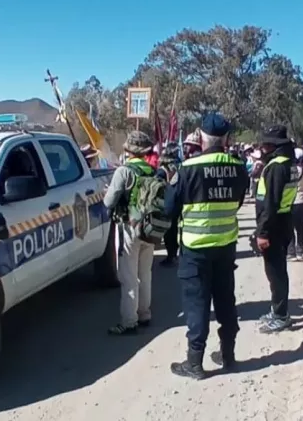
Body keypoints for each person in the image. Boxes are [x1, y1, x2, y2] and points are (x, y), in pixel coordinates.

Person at [166, 113, 248, 379]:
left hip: (195, 249)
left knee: (197, 305)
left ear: (200, 137)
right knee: (226, 302)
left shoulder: (187, 169)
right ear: (225, 138)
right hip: (225, 246)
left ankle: (195, 363)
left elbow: (169, 210)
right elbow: (236, 203)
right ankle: (229, 355)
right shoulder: (238, 167)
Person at [103, 130, 157, 335]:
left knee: (128, 277)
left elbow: (109, 201)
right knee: (146, 273)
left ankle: (128, 321)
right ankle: (144, 314)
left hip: (129, 228)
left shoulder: (124, 172)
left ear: (128, 150)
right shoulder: (152, 171)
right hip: (150, 228)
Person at [252, 125, 299, 333]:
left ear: (274, 146)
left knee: (275, 271)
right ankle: (278, 310)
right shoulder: (289, 164)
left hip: (274, 223)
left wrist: (262, 233)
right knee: (277, 269)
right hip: (284, 220)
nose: (262, 147)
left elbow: (270, 203)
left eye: (266, 144)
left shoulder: (276, 167)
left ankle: (281, 315)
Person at [157, 142, 182, 267]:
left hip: (167, 202)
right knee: (174, 230)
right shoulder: (179, 167)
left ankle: (171, 256)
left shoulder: (162, 171)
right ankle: (174, 254)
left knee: (168, 231)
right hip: (179, 203)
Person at [288, 148, 303, 261]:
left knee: (290, 227)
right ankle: (299, 251)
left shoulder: (292, 170)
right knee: (300, 227)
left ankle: (291, 252)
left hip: (294, 199)